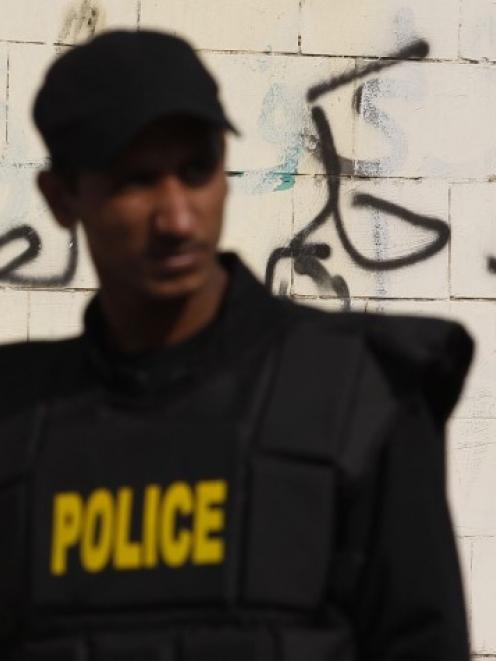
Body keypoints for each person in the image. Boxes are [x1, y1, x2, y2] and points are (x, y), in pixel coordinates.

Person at [0, 29, 472, 661]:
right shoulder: (16, 417)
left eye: (197, 170)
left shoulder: (358, 397)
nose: (177, 218)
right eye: (135, 181)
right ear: (61, 200)